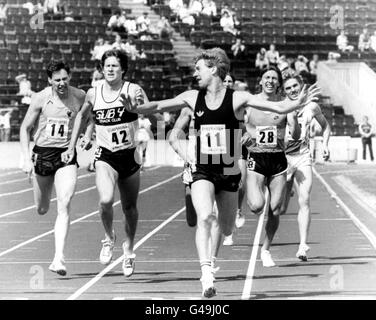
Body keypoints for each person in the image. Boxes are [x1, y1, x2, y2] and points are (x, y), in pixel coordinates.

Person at [136, 48, 319, 297]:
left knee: (226, 226)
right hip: (202, 169)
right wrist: (135, 108)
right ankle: (207, 272)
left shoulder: (237, 98)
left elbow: (275, 105)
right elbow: (158, 104)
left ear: (213, 69)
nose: (194, 73)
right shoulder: (192, 96)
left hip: (229, 170)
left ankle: (213, 256)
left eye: (198, 69)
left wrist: (296, 103)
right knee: (205, 217)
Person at [62, 49, 150, 278]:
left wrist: (137, 109)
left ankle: (129, 250)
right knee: (105, 200)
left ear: (123, 70)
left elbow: (154, 113)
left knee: (130, 209)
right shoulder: (94, 92)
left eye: (115, 66)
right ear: (102, 69)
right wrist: (73, 144)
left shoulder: (134, 90)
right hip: (106, 156)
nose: (110, 69)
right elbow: (82, 116)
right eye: (107, 66)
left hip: (130, 156)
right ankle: (109, 237)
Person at [19, 61, 86, 276]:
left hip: (66, 156)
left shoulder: (79, 96)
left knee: (64, 203)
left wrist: (85, 136)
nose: (61, 83)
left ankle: (58, 258)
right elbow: (25, 128)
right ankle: (36, 183)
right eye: (57, 80)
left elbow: (89, 118)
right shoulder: (40, 98)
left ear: (70, 77)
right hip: (42, 155)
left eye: (65, 78)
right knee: (42, 208)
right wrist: (26, 157)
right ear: (50, 80)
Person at [242, 66, 301, 268]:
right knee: (256, 206)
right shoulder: (249, 103)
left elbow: (295, 133)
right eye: (266, 77)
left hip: (278, 160)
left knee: (275, 209)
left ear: (278, 83)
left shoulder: (285, 105)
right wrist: (245, 138)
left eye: (274, 78)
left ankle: (265, 249)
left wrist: (294, 119)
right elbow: (238, 126)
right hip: (256, 159)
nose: (270, 81)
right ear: (261, 81)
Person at [280, 74, 331, 262]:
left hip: (302, 158)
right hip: (283, 159)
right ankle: (287, 190)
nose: (292, 90)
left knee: (305, 200)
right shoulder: (281, 106)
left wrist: (325, 145)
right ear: (283, 91)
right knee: (280, 208)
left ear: (301, 86)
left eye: (295, 86)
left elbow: (326, 127)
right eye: (288, 88)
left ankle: (302, 245)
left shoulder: (312, 107)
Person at [169, 106, 222, 275]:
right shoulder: (189, 108)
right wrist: (186, 156)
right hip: (195, 167)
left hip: (219, 166)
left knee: (213, 215)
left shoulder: (228, 105)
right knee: (193, 219)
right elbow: (173, 137)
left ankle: (211, 261)